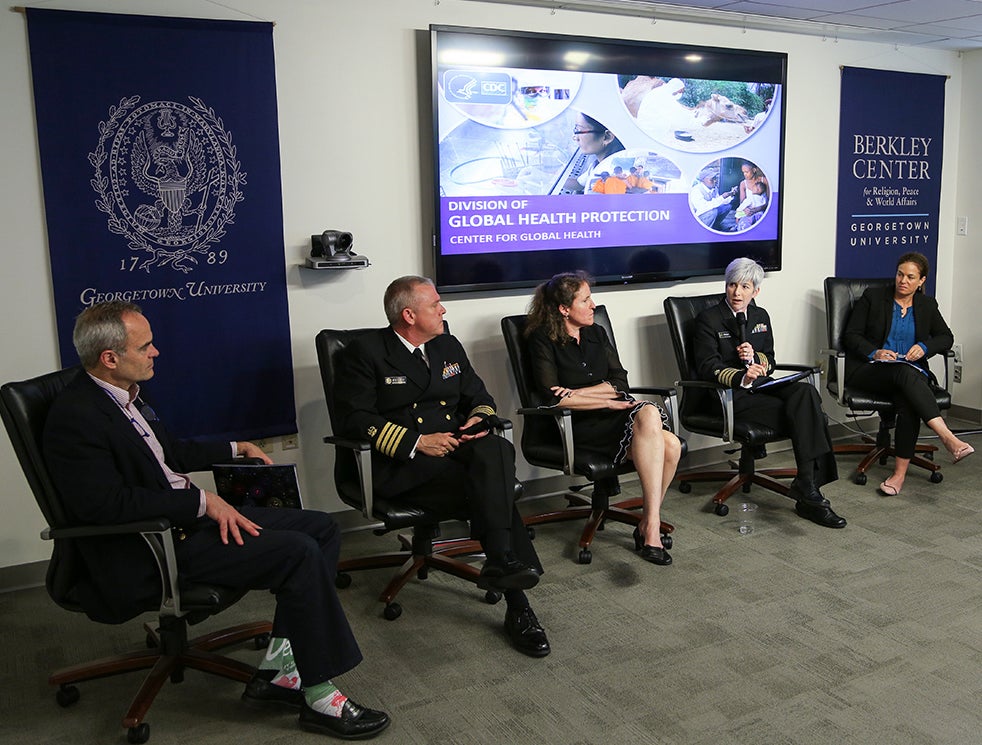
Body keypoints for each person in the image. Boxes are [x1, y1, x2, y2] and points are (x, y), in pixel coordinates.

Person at [41, 301, 389, 740]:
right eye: (145, 345)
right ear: (109, 358)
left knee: (319, 528)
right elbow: (104, 506)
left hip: (181, 520)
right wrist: (202, 503)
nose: (156, 352)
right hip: (151, 545)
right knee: (297, 553)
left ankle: (282, 671)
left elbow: (166, 456)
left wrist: (236, 447)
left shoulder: (125, 395)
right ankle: (319, 696)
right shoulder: (76, 417)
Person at [333, 276, 550, 658]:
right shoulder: (364, 352)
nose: (443, 310)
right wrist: (417, 442)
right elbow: (354, 420)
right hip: (401, 464)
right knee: (488, 488)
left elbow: (480, 398)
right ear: (409, 314)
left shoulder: (447, 345)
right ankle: (518, 605)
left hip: (453, 450)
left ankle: (500, 561)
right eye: (435, 304)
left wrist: (477, 422)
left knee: (496, 450)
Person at [525, 272, 682, 565]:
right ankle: (651, 528)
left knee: (670, 443)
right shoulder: (542, 340)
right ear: (564, 309)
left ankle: (649, 522)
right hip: (576, 427)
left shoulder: (596, 333)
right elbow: (553, 398)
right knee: (654, 420)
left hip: (613, 418)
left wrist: (581, 393)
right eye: (585, 300)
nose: (592, 305)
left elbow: (620, 382)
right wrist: (602, 401)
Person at [693, 258, 847, 528]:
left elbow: (771, 359)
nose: (737, 293)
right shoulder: (709, 319)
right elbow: (707, 367)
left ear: (756, 291)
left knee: (805, 394)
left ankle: (808, 484)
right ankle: (810, 491)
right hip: (729, 396)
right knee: (813, 416)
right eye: (731, 285)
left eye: (744, 286)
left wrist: (758, 361)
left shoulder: (760, 316)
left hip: (761, 388)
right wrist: (742, 375)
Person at [842, 252, 974, 495]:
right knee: (905, 375)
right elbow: (851, 335)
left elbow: (946, 337)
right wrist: (876, 352)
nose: (903, 280)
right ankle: (947, 436)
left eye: (910, 277)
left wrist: (924, 347)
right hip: (872, 370)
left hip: (910, 374)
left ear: (921, 281)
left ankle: (899, 475)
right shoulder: (874, 297)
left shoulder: (927, 305)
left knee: (908, 401)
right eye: (900, 274)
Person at [563, 112, 625, 194]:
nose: (575, 137)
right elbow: (578, 184)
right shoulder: (599, 164)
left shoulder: (608, 181)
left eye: (579, 130)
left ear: (607, 137)